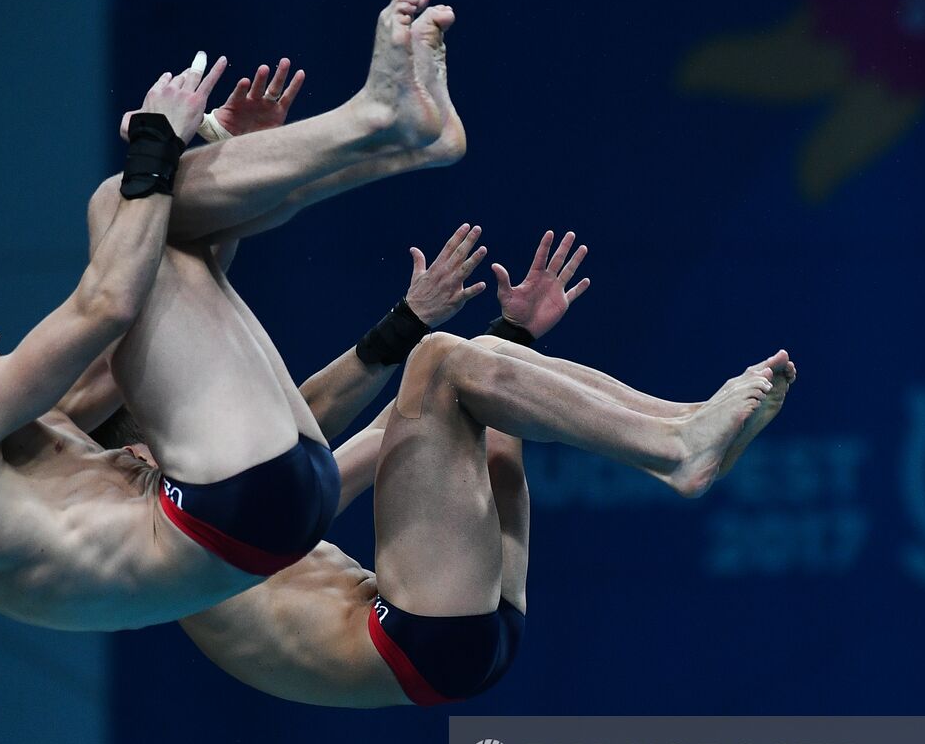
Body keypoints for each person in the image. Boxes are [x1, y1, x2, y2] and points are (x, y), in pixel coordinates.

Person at [0, 0, 470, 631]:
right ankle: (375, 117)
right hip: (226, 514)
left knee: (149, 217)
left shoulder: (18, 429)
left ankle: (408, 144)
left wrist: (232, 155)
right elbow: (104, 306)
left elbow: (157, 305)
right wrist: (158, 146)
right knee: (117, 201)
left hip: (268, 504)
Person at [100, 224, 795, 707]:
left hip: (454, 632)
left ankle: (682, 421)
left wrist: (507, 337)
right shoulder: (179, 547)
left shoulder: (228, 532)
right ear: (138, 452)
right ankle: (673, 449)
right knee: (439, 362)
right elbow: (320, 418)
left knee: (469, 371)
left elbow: (387, 438)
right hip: (412, 636)